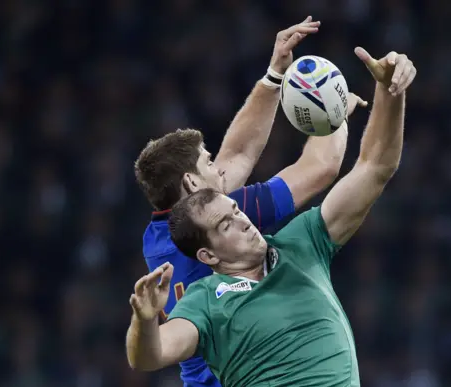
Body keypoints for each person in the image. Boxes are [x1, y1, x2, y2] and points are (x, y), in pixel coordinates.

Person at [126, 46, 416, 387]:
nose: (243, 218)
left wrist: (390, 91)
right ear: (208, 254)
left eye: (235, 210)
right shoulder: (205, 297)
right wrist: (331, 113)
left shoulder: (291, 241)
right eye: (210, 164)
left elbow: (374, 167)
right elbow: (320, 167)